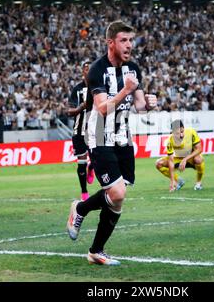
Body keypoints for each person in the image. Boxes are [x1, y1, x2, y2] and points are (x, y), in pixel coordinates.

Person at [66, 21, 157, 265]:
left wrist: (148, 103)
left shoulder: (134, 68)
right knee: (116, 192)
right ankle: (81, 210)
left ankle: (96, 250)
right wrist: (125, 91)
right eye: (124, 40)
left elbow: (139, 107)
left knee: (117, 196)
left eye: (131, 40)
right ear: (111, 43)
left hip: (123, 135)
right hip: (99, 134)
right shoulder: (97, 69)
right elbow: (103, 108)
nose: (129, 45)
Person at [66, 61, 95, 201]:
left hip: (97, 131)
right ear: (83, 72)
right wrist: (81, 107)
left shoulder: (99, 88)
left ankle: (92, 167)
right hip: (79, 132)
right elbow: (69, 111)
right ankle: (84, 192)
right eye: (86, 69)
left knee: (98, 159)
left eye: (91, 69)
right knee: (81, 161)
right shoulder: (77, 90)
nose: (88, 72)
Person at [155, 120, 205, 192]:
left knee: (198, 159)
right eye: (178, 133)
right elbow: (171, 161)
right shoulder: (170, 141)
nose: (181, 135)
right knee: (158, 163)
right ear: (173, 133)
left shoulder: (191, 132)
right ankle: (178, 181)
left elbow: (199, 149)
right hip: (178, 158)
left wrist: (185, 159)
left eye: (182, 132)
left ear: (183, 128)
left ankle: (198, 183)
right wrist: (172, 181)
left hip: (191, 157)